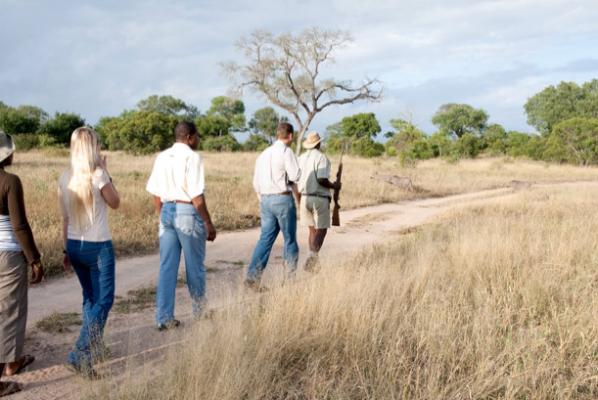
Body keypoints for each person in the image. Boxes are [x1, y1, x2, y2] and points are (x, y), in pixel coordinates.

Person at [59, 127, 120, 377]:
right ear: (92, 147)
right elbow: (116, 202)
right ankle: (80, 353)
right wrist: (106, 172)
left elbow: (63, 218)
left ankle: (92, 347)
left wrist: (65, 249)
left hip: (74, 244)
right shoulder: (98, 175)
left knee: (90, 298)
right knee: (104, 300)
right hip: (98, 246)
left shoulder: (65, 176)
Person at [146, 121, 217, 331]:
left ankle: (164, 317)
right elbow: (196, 196)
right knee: (195, 265)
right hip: (187, 211)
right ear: (189, 137)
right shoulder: (192, 157)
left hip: (167, 210)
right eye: (197, 136)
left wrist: (163, 216)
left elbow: (156, 194)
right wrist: (207, 221)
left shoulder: (162, 157)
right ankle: (200, 311)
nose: (199, 140)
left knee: (167, 267)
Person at [0, 131, 44, 397]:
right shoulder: (10, 181)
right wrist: (34, 259)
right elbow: (19, 225)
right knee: (10, 309)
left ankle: (13, 359)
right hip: (7, 255)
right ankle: (7, 367)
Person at [245, 122, 301, 290]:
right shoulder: (287, 152)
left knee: (265, 239)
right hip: (282, 199)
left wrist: (262, 198)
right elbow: (295, 175)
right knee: (290, 240)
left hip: (265, 200)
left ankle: (252, 277)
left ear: (277, 134)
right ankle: (290, 281)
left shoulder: (263, 154)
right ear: (290, 136)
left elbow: (255, 182)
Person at [297, 132, 341, 272]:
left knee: (312, 230)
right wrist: (334, 186)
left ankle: (313, 261)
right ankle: (312, 258)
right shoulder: (321, 158)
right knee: (321, 230)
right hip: (319, 198)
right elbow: (322, 179)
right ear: (319, 143)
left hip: (304, 197)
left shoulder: (300, 158)